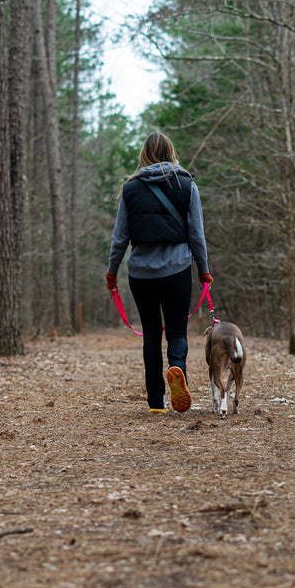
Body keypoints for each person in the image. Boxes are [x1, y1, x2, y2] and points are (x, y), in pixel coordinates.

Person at [106, 132, 213, 413]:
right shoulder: (187, 184)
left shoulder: (130, 189)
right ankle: (177, 367)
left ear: (144, 154)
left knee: (151, 334)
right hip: (177, 269)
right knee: (177, 330)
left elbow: (120, 238)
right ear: (171, 152)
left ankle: (156, 403)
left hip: (141, 274)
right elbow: (196, 235)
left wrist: (111, 272)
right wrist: (203, 270)